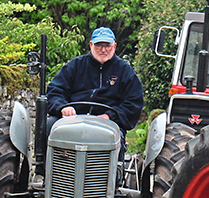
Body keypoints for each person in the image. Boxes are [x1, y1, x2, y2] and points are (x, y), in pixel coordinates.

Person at [46, 27, 144, 160]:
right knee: (49, 126)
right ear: (91, 45)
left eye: (107, 46)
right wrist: (63, 107)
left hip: (108, 122)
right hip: (72, 119)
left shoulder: (125, 71)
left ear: (114, 46)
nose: (103, 50)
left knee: (117, 136)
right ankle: (47, 172)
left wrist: (109, 116)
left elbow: (133, 102)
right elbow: (55, 90)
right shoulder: (75, 66)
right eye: (99, 45)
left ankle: (115, 177)